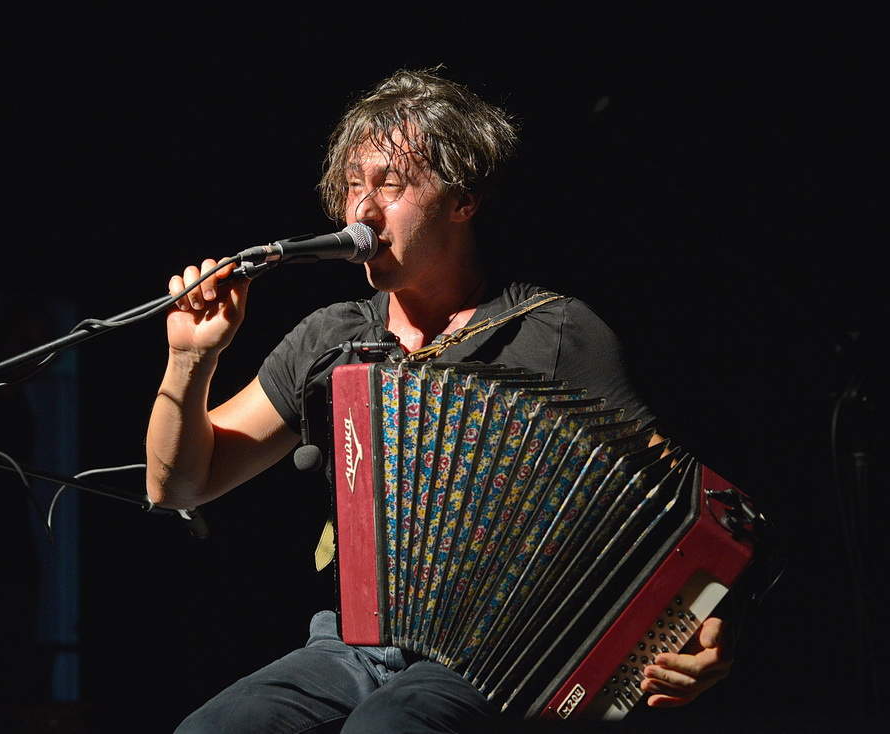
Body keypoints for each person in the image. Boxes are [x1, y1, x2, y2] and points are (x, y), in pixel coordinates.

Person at [146, 69, 732, 733]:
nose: (362, 211)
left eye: (390, 185)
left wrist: (706, 623)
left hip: (500, 656)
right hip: (351, 645)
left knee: (388, 726)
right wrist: (190, 359)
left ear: (464, 198)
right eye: (353, 185)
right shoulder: (332, 338)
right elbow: (179, 484)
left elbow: (682, 508)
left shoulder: (553, 332)